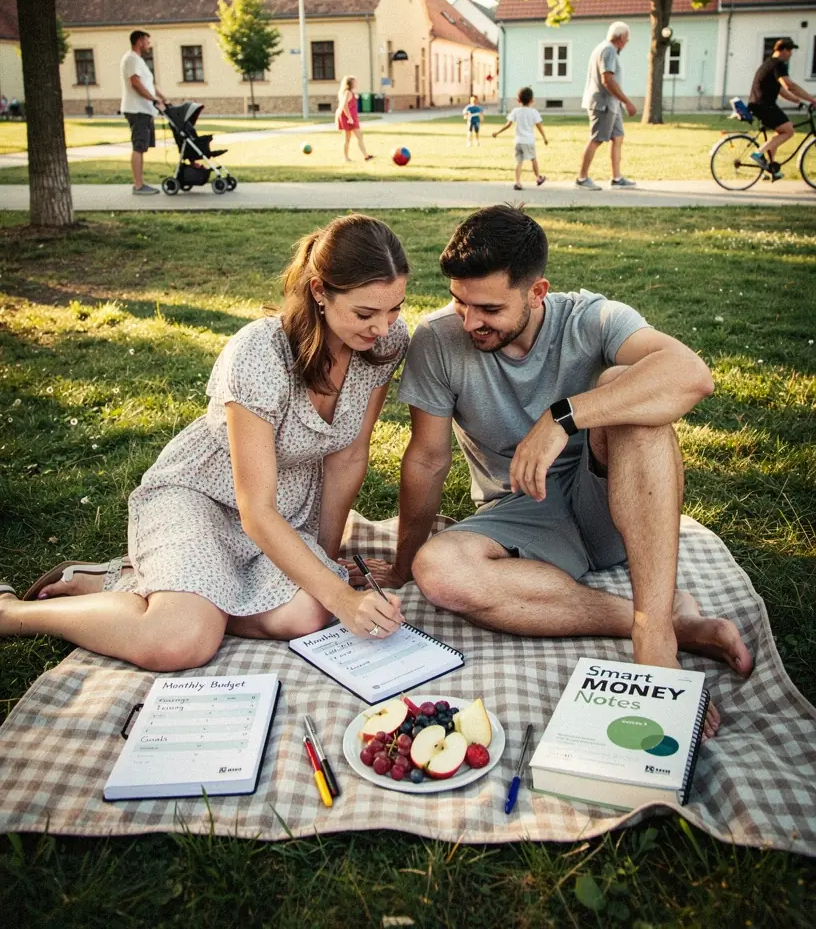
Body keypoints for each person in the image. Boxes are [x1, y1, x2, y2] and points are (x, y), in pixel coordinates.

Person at [369, 206, 752, 738]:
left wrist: (563, 417)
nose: (470, 321)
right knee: (440, 572)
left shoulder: (593, 318)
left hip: (611, 500)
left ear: (537, 291)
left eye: (488, 308)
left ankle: (655, 639)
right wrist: (406, 561)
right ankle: (660, 619)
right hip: (521, 515)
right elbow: (429, 459)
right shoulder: (438, 340)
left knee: (632, 388)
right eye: (460, 301)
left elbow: (691, 375)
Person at [0, 216, 409, 670]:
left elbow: (348, 456)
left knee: (309, 612)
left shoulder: (384, 343)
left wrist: (325, 565)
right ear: (319, 292)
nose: (383, 327)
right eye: (366, 313)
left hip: (287, 506)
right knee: (182, 641)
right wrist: (339, 594)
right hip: (202, 496)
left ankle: (147, 585)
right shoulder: (259, 353)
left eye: (395, 308)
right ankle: (15, 613)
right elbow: (254, 508)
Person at [576, 21, 638, 190]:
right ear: (622, 37)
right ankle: (582, 178)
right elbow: (607, 79)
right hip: (603, 103)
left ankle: (617, 178)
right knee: (596, 138)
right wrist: (627, 101)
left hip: (612, 104)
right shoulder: (608, 50)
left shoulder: (605, 49)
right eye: (627, 39)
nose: (627, 43)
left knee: (618, 137)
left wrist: (620, 102)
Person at [747, 37, 816, 178]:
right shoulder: (778, 64)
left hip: (758, 104)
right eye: (790, 50)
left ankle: (771, 170)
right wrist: (811, 99)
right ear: (783, 50)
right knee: (789, 130)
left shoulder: (768, 63)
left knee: (779, 133)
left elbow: (781, 90)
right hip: (764, 105)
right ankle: (758, 153)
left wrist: (798, 101)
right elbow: (789, 85)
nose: (791, 54)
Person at [121, 30, 165, 195]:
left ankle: (140, 184)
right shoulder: (131, 59)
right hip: (137, 109)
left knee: (142, 146)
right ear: (139, 41)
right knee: (138, 146)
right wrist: (153, 100)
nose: (149, 44)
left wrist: (163, 98)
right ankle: (138, 186)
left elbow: (149, 84)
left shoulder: (138, 60)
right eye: (147, 41)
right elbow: (136, 83)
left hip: (144, 110)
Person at [492, 87, 548, 190]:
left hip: (518, 141)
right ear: (532, 100)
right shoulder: (534, 112)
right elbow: (539, 126)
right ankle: (538, 177)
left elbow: (508, 124)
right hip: (529, 141)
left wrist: (497, 132)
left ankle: (517, 182)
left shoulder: (516, 111)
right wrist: (544, 137)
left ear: (518, 100)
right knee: (533, 159)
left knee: (519, 162)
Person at [336, 75, 373, 163]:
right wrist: (349, 118)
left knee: (355, 137)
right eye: (355, 82)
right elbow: (345, 106)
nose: (356, 83)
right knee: (352, 137)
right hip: (348, 119)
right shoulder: (348, 93)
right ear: (351, 83)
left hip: (351, 118)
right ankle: (347, 158)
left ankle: (365, 156)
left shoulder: (350, 93)